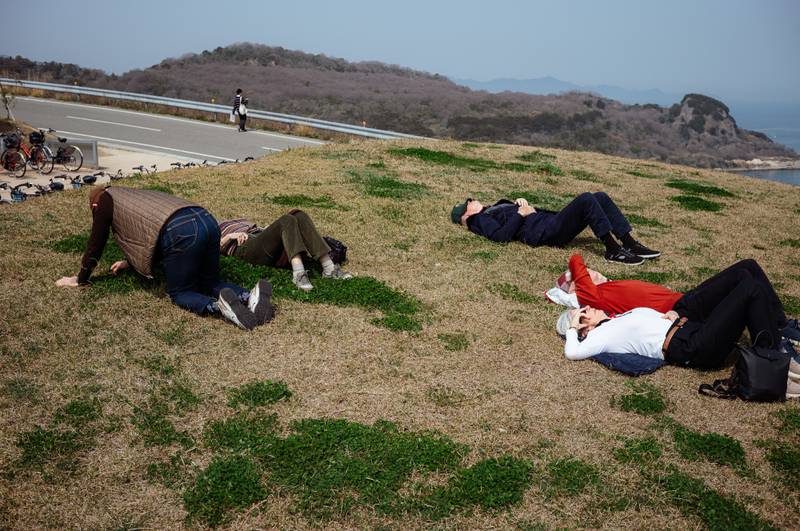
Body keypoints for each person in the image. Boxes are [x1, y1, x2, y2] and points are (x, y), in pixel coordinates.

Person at [56, 186, 272, 330]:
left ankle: (220, 307)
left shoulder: (103, 200)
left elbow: (97, 241)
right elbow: (152, 234)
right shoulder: (131, 194)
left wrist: (80, 278)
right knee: (211, 281)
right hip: (206, 219)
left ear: (94, 205)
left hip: (181, 230)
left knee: (180, 292)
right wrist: (130, 262)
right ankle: (248, 296)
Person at [555, 261, 800, 376]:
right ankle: (775, 355)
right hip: (693, 346)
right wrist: (574, 328)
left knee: (748, 269)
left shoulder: (613, 320)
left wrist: (673, 314)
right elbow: (573, 353)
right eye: (584, 312)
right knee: (749, 288)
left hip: (686, 323)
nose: (589, 308)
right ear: (584, 327)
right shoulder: (601, 336)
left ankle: (780, 332)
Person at [450, 192, 660, 265]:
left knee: (599, 197)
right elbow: (500, 236)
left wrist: (520, 205)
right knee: (587, 199)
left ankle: (629, 243)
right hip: (543, 232)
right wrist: (519, 213)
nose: (473, 200)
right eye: (469, 202)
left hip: (547, 221)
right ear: (465, 214)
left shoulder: (491, 209)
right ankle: (613, 250)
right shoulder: (477, 220)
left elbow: (515, 217)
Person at [218, 210, 352, 292]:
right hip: (245, 248)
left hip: (259, 237)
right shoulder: (213, 228)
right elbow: (212, 247)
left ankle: (329, 268)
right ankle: (299, 274)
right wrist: (229, 237)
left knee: (298, 214)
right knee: (286, 220)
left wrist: (268, 229)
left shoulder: (235, 220)